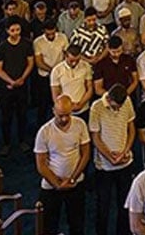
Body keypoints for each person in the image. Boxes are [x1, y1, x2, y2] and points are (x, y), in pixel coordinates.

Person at [35, 95, 91, 235]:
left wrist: (72, 179)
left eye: (67, 115)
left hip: (75, 183)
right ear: (53, 111)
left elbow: (85, 154)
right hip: (51, 185)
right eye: (60, 115)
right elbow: (41, 165)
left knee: (77, 224)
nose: (64, 119)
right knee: (48, 226)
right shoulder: (44, 131)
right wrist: (57, 184)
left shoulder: (80, 124)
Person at [89, 83, 136, 235]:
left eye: (119, 107)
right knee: (103, 206)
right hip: (104, 167)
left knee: (125, 204)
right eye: (115, 106)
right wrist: (110, 157)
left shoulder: (126, 101)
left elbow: (131, 129)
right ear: (108, 98)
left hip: (125, 163)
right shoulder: (97, 107)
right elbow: (95, 138)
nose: (117, 109)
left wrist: (125, 151)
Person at [0, 16, 33, 150]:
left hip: (22, 85)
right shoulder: (2, 47)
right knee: (6, 116)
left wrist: (22, 78)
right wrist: (11, 81)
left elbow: (30, 63)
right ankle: (6, 143)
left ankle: (22, 140)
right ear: (7, 31)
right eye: (13, 30)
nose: (16, 33)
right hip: (6, 87)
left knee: (22, 115)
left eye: (18, 30)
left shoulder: (27, 44)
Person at [50, 44, 94, 117]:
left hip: (83, 108)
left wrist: (80, 104)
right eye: (71, 61)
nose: (74, 63)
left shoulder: (86, 66)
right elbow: (55, 95)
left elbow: (89, 88)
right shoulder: (57, 70)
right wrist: (65, 107)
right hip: (65, 111)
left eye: (77, 60)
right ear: (66, 56)